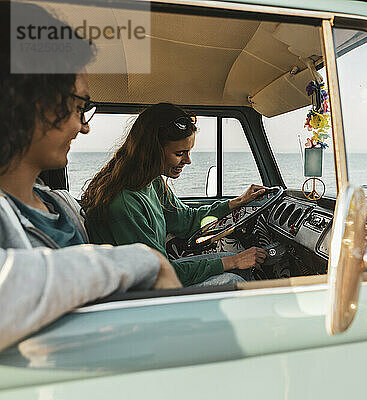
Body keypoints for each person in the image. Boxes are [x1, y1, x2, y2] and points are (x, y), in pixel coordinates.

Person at [0, 3, 181, 352]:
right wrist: (146, 260)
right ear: (32, 101)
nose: (84, 126)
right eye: (80, 105)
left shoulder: (63, 204)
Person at [82, 102, 269, 287]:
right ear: (152, 152)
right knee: (233, 280)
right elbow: (156, 275)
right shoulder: (125, 203)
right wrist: (234, 262)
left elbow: (185, 221)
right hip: (138, 293)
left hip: (157, 272)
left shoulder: (152, 182)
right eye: (180, 153)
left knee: (235, 263)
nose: (188, 160)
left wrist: (237, 202)